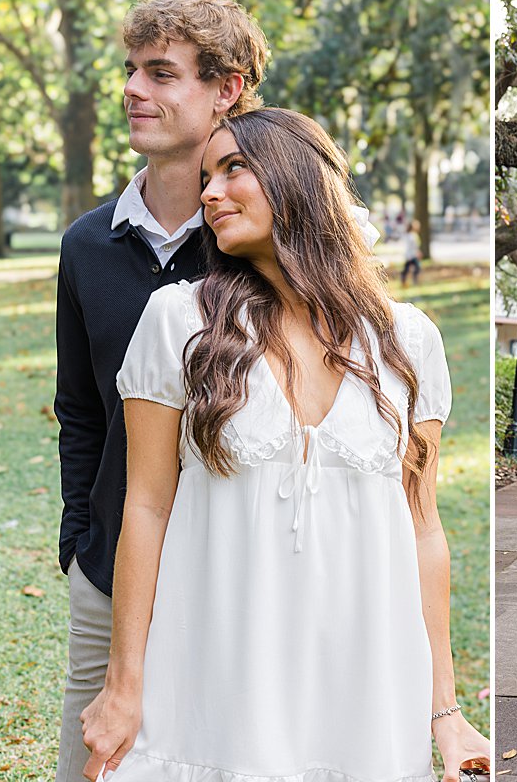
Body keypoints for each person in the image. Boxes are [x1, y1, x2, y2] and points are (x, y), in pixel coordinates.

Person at [79, 108, 490, 782]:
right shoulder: (178, 321)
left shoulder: (410, 342)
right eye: (207, 176)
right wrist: (124, 684)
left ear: (300, 178)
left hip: (366, 694)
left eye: (234, 167)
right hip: (213, 685)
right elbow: (146, 509)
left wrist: (443, 709)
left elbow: (424, 531)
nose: (208, 193)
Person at [53, 0, 268, 782]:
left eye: (161, 73)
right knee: (89, 768)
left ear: (227, 88)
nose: (133, 90)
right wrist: (81, 541)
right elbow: (80, 410)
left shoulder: (261, 248)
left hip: (236, 578)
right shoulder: (86, 246)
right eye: (130, 71)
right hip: (109, 574)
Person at [402, 218, 422, 286]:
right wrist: (418, 252)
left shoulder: (410, 235)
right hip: (412, 255)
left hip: (410, 254)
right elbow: (414, 246)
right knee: (415, 268)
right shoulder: (412, 236)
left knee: (409, 268)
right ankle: (411, 280)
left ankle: (408, 280)